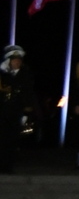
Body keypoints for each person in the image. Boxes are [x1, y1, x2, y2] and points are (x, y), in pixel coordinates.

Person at [0, 43, 36, 174]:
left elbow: (28, 93)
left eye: (19, 60)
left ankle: (8, 166)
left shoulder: (25, 74)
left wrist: (27, 112)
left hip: (16, 112)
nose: (17, 62)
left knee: (12, 140)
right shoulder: (2, 73)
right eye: (15, 60)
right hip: (2, 111)